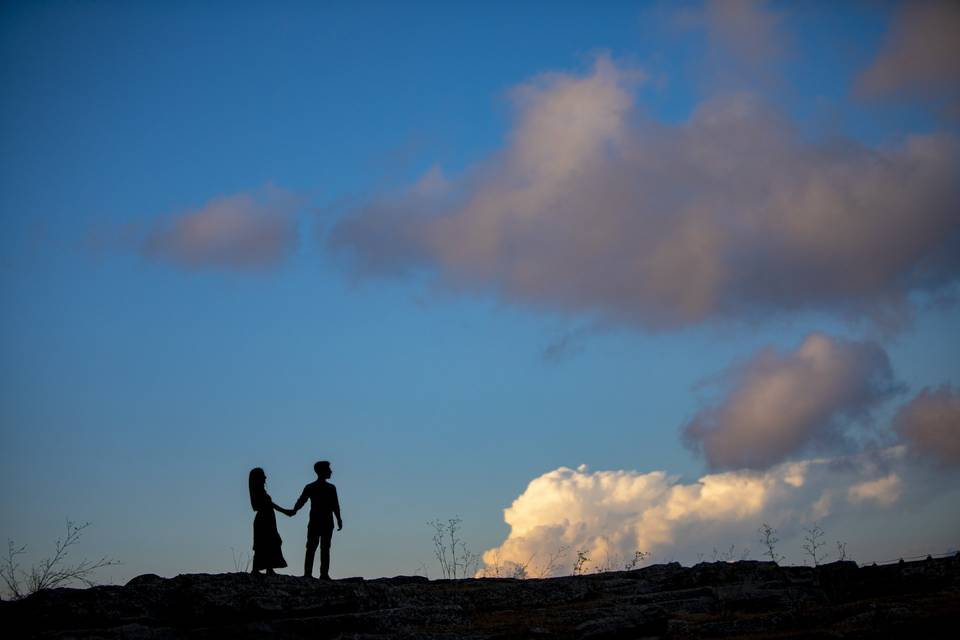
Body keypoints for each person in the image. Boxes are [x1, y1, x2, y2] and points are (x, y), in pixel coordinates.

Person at [293, 460, 343, 579]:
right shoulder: (313, 487)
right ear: (322, 471)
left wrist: (339, 519)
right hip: (317, 521)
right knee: (314, 547)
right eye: (328, 469)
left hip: (324, 522)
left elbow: (335, 505)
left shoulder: (328, 488)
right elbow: (301, 501)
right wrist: (294, 510)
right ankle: (310, 573)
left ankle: (321, 573)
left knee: (322, 548)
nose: (331, 471)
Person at [248, 467, 295, 575]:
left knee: (269, 543)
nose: (265, 477)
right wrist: (285, 511)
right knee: (265, 543)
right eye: (263, 475)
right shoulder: (259, 492)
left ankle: (268, 568)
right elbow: (270, 504)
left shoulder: (261, 491)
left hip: (267, 519)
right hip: (264, 520)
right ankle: (258, 569)